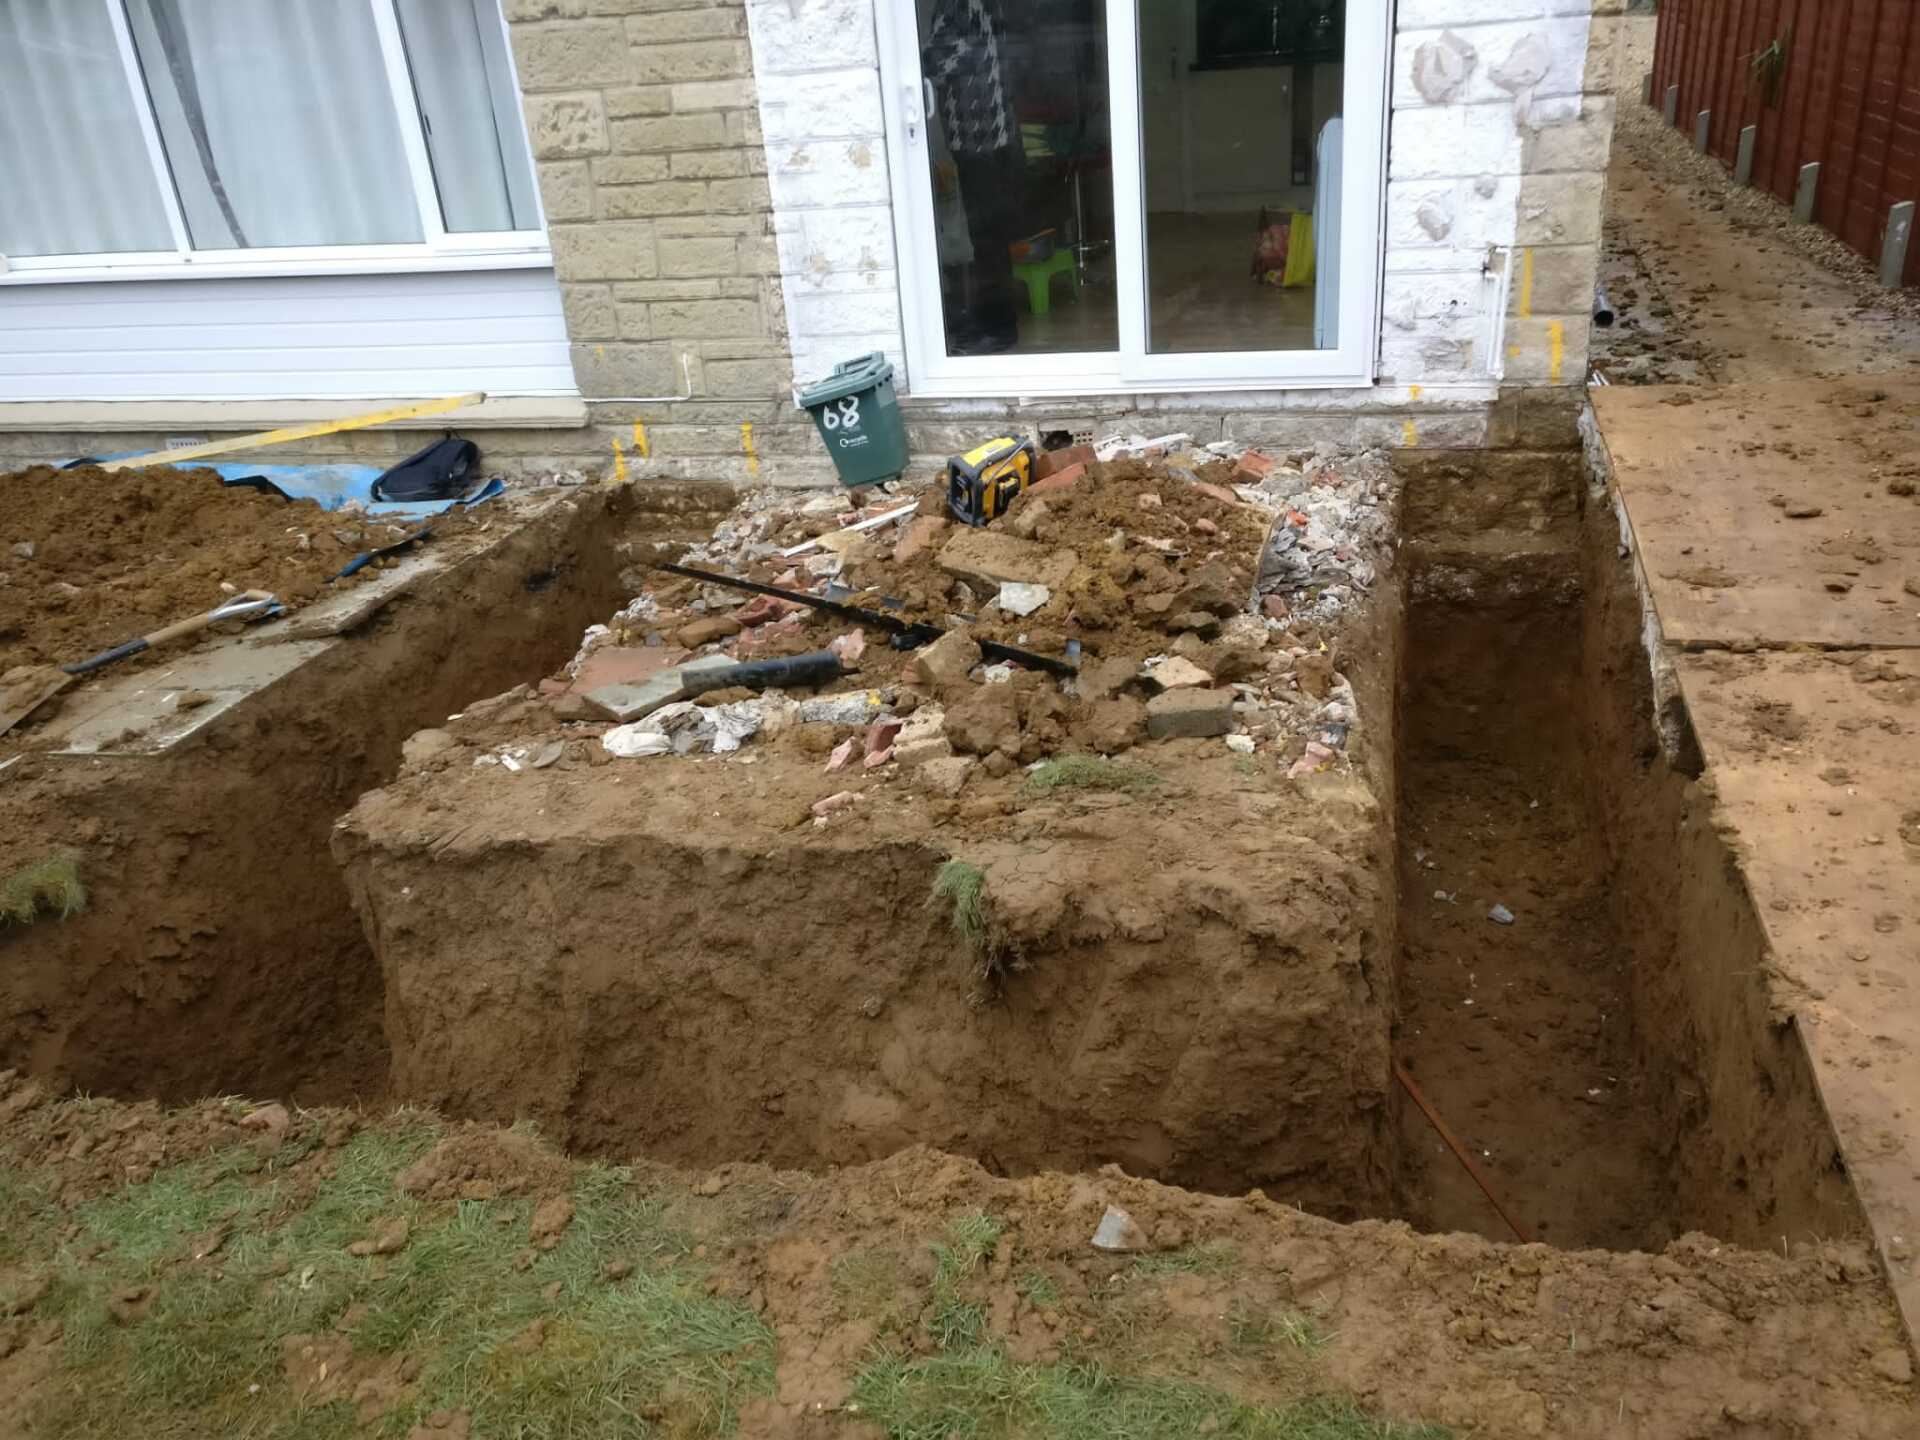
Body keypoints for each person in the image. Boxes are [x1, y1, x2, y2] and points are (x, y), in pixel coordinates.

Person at [922, 0, 1025, 355]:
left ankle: (998, 328)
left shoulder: (957, 5)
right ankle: (994, 321)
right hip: (999, 131)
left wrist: (915, 65)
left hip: (976, 135)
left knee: (986, 235)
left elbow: (936, 62)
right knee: (992, 233)